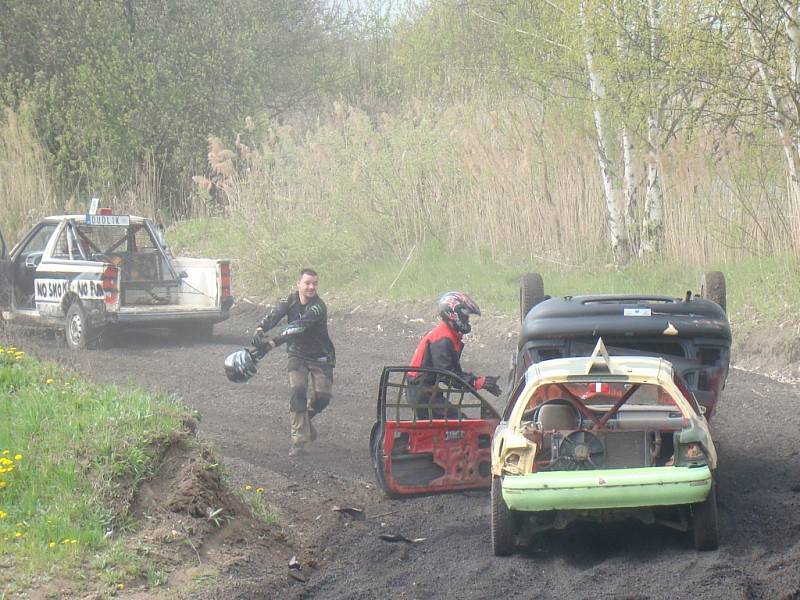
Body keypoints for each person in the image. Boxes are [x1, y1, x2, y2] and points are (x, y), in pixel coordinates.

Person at [252, 268, 335, 456]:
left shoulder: (318, 307)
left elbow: (297, 327)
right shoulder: (288, 300)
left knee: (322, 398)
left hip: (321, 357)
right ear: (298, 284)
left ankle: (305, 420)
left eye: (314, 283)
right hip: (297, 354)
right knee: (297, 390)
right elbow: (274, 315)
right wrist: (259, 329)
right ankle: (298, 441)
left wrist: (272, 342)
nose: (311, 287)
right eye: (307, 283)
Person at [407, 291, 502, 419]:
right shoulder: (443, 339)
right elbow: (448, 375)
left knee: (457, 423)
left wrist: (478, 382)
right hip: (423, 394)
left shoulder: (447, 335)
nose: (467, 321)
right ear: (454, 315)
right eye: (466, 317)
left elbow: (453, 373)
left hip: (427, 392)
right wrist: (477, 382)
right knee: (461, 425)